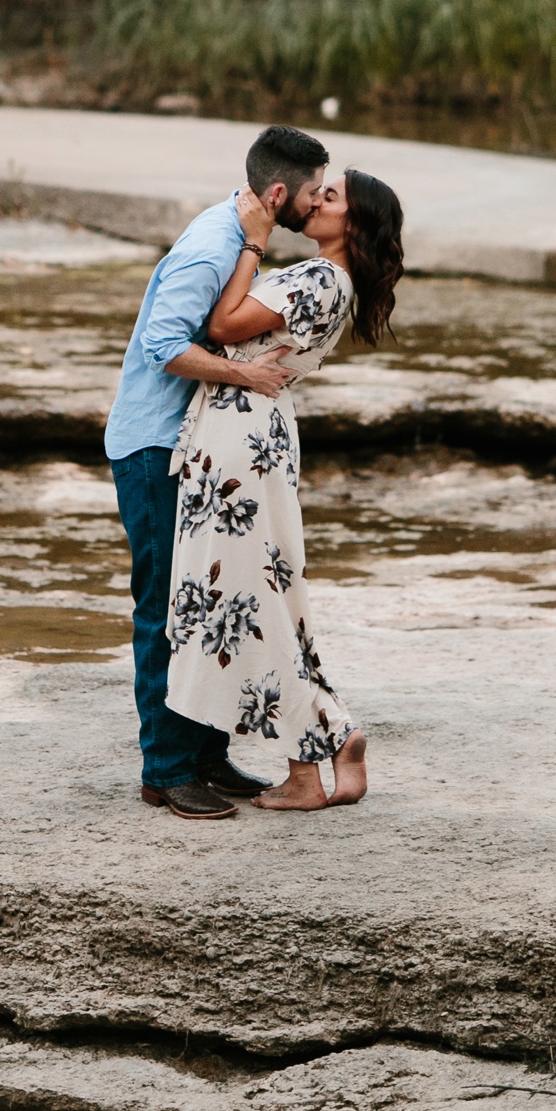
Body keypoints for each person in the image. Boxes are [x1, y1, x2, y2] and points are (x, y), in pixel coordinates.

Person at [105, 124, 331, 820]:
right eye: (315, 194)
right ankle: (165, 769)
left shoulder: (242, 239)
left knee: (207, 604)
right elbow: (162, 345)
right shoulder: (212, 247)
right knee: (166, 611)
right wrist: (243, 376)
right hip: (153, 448)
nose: (320, 205)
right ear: (277, 193)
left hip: (190, 449)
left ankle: (204, 755)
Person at [166, 167, 404, 812]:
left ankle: (308, 767)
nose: (315, 202)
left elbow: (222, 324)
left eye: (330, 198)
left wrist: (251, 241)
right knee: (269, 593)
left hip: (238, 438)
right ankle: (334, 738)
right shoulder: (339, 283)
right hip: (259, 433)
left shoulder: (317, 277)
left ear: (352, 225)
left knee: (251, 596)